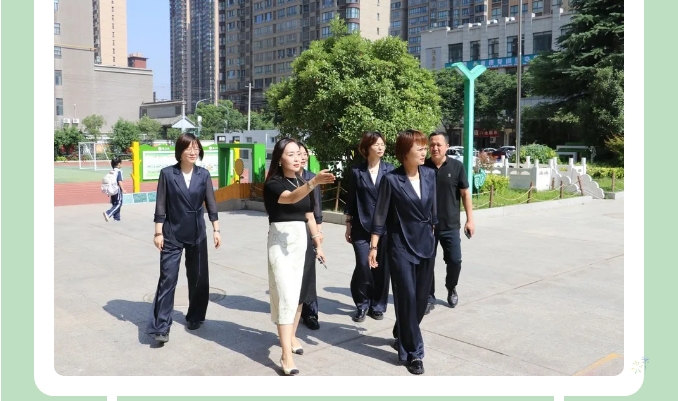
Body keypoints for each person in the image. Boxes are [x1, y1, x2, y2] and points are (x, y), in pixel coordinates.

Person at [264, 138, 335, 375]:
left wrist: (318, 243)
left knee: (299, 296)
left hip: (302, 242)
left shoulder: (302, 181)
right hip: (281, 244)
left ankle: (291, 336)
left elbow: (309, 215)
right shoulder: (274, 183)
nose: (297, 158)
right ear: (279, 158)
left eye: (299, 154)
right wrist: (314, 182)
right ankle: (286, 355)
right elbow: (291, 198)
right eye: (291, 154)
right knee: (286, 295)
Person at [369, 129, 437, 375]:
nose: (424, 152)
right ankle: (413, 353)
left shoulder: (429, 174)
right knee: (406, 297)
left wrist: (435, 235)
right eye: (420, 148)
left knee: (420, 300)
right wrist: (374, 246)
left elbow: (433, 211)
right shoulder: (391, 179)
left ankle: (402, 330)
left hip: (426, 244)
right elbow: (380, 215)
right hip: (400, 246)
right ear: (405, 152)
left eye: (425, 148)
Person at [147, 133, 221, 344]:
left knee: (198, 278)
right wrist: (158, 232)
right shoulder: (167, 174)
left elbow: (211, 203)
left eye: (196, 147)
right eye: (189, 148)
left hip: (197, 233)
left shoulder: (203, 174)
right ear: (180, 151)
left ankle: (195, 316)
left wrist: (216, 229)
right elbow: (161, 204)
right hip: (172, 233)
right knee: (168, 278)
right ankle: (161, 326)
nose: (193, 151)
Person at [344, 131, 395, 322]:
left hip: (384, 228)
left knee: (381, 268)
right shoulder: (357, 171)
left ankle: (378, 305)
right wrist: (348, 224)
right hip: (361, 226)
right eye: (376, 144)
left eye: (382, 144)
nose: (381, 147)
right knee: (363, 265)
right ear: (366, 148)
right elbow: (350, 199)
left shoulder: (390, 170)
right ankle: (362, 304)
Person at [424, 132, 474, 313]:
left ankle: (451, 287)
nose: (435, 148)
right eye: (432, 145)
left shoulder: (457, 166)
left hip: (450, 225)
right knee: (426, 263)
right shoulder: (422, 167)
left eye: (439, 144)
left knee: (454, 261)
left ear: (447, 146)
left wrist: (470, 220)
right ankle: (428, 296)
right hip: (427, 226)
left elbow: (465, 194)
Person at [297, 142, 323, 331]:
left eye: (304, 153)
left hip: (308, 230)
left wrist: (318, 232)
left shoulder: (312, 178)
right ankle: (293, 310)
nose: (302, 157)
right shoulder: (283, 179)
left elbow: (317, 207)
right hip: (289, 230)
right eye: (298, 153)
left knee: (309, 273)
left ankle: (311, 313)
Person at [103, 157, 125, 222]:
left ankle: (117, 218)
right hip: (117, 189)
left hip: (112, 189)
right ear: (119, 164)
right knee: (119, 204)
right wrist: (123, 189)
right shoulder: (119, 171)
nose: (122, 164)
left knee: (115, 203)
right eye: (121, 163)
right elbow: (119, 181)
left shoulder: (112, 171)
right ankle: (108, 213)